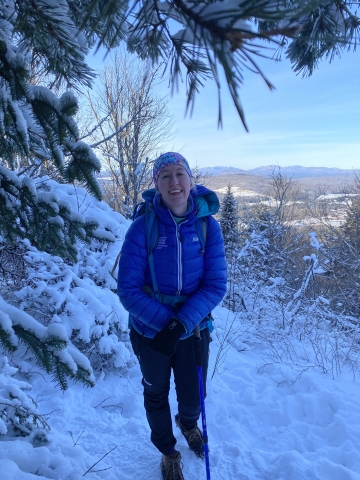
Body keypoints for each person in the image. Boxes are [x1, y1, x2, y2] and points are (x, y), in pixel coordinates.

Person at [117, 152, 227, 480]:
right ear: (156, 184)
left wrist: (180, 323)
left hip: (192, 330)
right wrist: (164, 323)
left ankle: (188, 422)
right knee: (156, 393)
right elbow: (128, 290)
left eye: (180, 173)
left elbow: (215, 285)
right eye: (165, 176)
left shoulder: (208, 228)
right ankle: (167, 450)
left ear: (191, 180)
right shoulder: (142, 228)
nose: (174, 181)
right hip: (149, 333)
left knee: (194, 396)